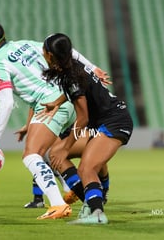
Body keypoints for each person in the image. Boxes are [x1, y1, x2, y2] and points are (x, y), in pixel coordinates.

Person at [0, 17, 105, 220]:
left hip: (51, 105)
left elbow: (7, 102)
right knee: (52, 152)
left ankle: (58, 204)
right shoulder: (25, 44)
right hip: (69, 98)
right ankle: (84, 191)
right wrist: (92, 67)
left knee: (31, 154)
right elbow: (66, 51)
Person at [39, 33, 133, 224]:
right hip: (103, 123)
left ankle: (97, 214)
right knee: (56, 154)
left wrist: (66, 146)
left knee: (86, 167)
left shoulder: (69, 76)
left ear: (49, 55)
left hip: (114, 121)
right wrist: (57, 103)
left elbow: (82, 119)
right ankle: (92, 202)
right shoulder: (71, 68)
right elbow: (79, 91)